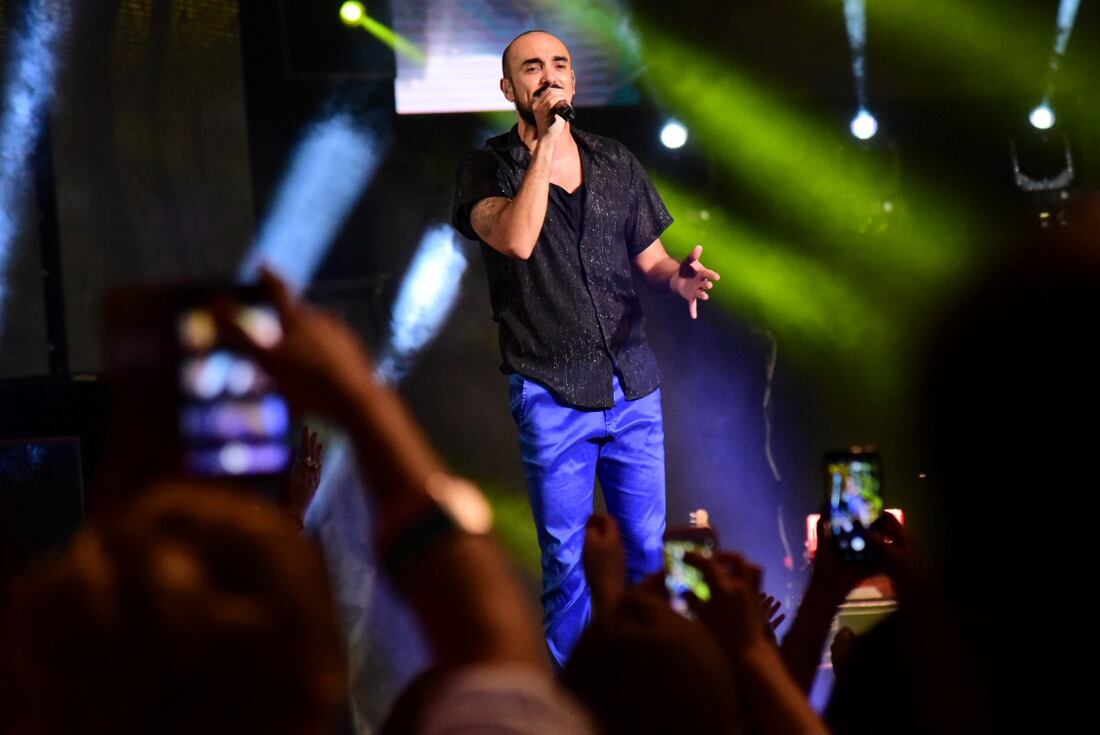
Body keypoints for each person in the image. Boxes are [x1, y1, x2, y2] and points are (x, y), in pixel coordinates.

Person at [453, 29, 720, 665]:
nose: (548, 76)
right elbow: (516, 239)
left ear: (574, 80)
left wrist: (676, 275)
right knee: (567, 566)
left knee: (649, 555)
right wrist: (546, 144)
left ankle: (656, 691)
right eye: (532, 68)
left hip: (631, 383)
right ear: (508, 88)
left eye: (560, 65)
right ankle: (578, 707)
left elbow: (649, 258)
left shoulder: (616, 162)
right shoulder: (486, 168)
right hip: (550, 389)